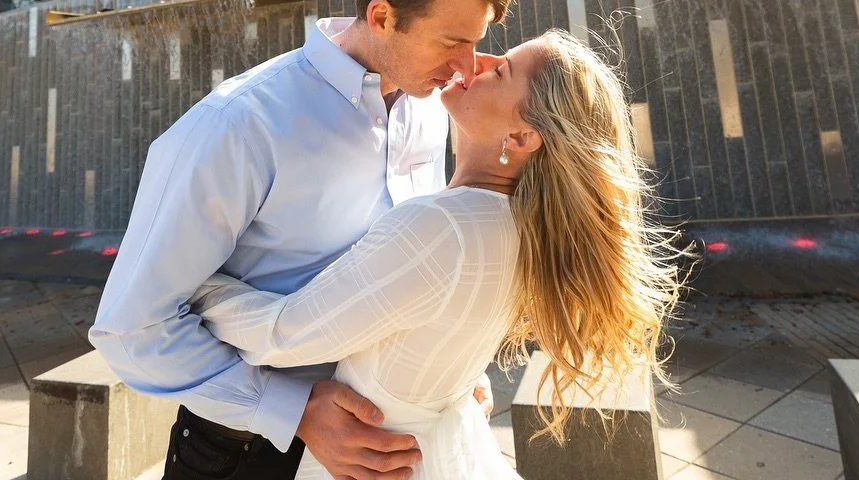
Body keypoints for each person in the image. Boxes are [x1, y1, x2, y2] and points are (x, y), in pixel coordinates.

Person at [90, 0, 516, 480]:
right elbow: (131, 326)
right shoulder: (238, 125)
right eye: (451, 42)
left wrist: (455, 366)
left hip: (390, 438)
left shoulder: (428, 111)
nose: (466, 67)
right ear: (383, 16)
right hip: (243, 453)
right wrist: (292, 411)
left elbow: (416, 267)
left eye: (476, 42)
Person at [192, 29, 684, 480]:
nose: (479, 60)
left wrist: (195, 284)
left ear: (520, 138)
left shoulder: (443, 227)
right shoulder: (519, 229)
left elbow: (283, 335)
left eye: (502, 70)